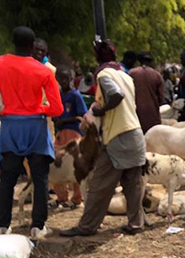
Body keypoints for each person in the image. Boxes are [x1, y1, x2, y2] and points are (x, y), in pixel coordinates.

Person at [60, 39, 147, 237]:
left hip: (118, 137)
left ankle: (87, 227)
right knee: (132, 184)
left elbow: (116, 96)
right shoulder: (125, 76)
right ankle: (136, 224)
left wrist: (101, 109)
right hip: (135, 134)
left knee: (99, 186)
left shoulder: (104, 75)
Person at [0, 27, 64, 239]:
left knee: (7, 178)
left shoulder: (1, 64)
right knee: (40, 178)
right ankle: (38, 227)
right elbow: (57, 109)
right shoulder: (44, 71)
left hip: (10, 126)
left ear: (13, 43)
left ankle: (3, 225)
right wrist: (39, 109)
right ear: (32, 46)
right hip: (35, 127)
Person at [53, 65, 88, 206]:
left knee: (74, 165)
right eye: (60, 78)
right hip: (60, 132)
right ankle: (61, 197)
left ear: (71, 79)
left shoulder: (75, 95)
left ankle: (77, 197)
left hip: (73, 132)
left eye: (66, 78)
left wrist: (65, 120)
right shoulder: (58, 94)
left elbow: (81, 115)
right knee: (58, 163)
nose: (63, 81)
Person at [129, 52, 164, 133]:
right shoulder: (157, 75)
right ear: (151, 62)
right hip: (153, 117)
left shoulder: (132, 73)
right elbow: (161, 98)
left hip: (135, 117)